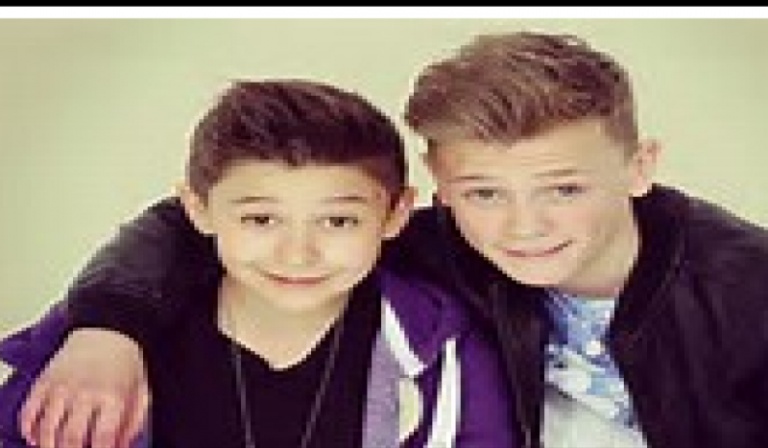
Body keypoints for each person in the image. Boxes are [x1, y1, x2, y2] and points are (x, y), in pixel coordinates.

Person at [7, 29, 768, 448]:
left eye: (564, 189)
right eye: (483, 192)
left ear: (640, 167)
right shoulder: (428, 244)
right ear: (434, 192)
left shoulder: (747, 291)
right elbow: (199, 221)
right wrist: (107, 328)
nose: (524, 227)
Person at [0, 79, 516, 447]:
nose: (297, 254)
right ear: (197, 209)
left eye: (338, 221)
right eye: (261, 220)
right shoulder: (103, 339)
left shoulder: (442, 347)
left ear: (397, 214)